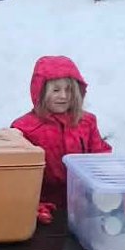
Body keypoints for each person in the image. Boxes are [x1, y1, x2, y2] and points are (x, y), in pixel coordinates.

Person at [10, 56, 112, 219]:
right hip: (45, 206)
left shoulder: (86, 122)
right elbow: (17, 177)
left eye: (69, 90)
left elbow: (100, 157)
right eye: (56, 90)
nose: (63, 96)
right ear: (40, 92)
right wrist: (34, 205)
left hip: (84, 203)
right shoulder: (24, 128)